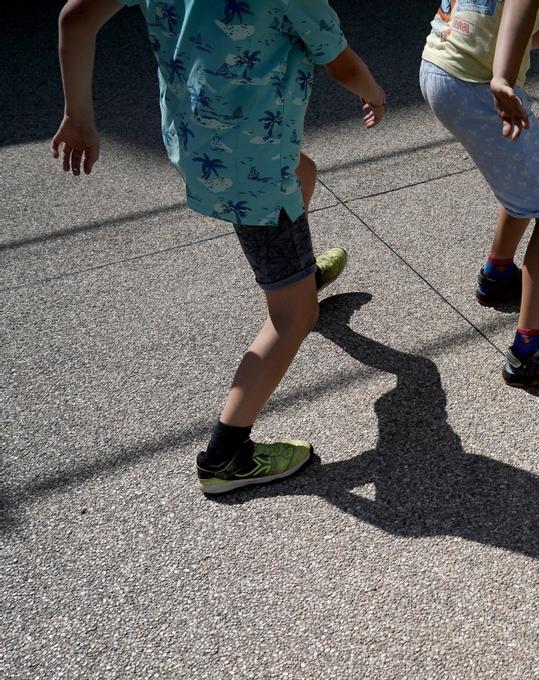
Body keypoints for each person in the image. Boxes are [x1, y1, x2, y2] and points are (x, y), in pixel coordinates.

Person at [52, 0, 387, 493]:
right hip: (255, 167)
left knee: (305, 172)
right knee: (293, 318)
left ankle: (300, 276)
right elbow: (341, 62)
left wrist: (78, 116)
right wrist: (375, 94)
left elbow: (76, 17)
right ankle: (224, 458)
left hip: (200, 141)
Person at [420, 0, 539, 391]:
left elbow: (508, 26)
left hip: (443, 66)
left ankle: (498, 275)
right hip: (475, 83)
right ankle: (528, 353)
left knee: (521, 180)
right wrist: (502, 79)